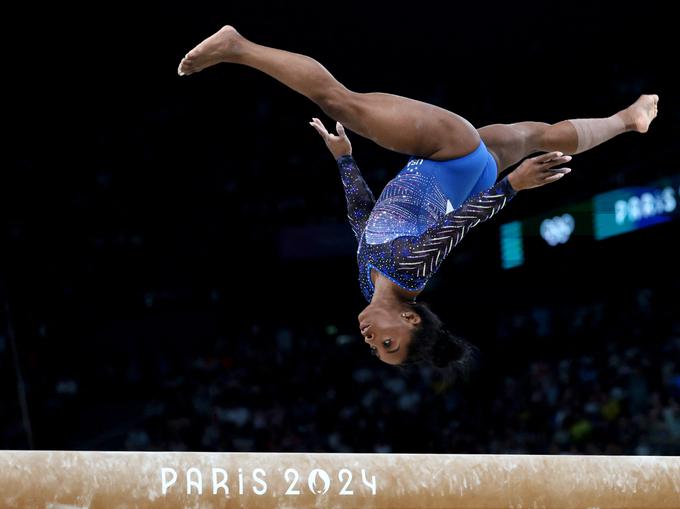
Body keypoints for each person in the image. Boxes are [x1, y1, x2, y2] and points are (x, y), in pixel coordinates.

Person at [178, 25, 659, 376]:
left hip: (463, 174)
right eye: (389, 342)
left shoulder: (373, 288)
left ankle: (627, 119)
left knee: (538, 134)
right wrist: (513, 186)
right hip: (449, 156)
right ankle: (237, 47)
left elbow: (364, 225)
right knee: (340, 101)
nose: (371, 341)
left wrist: (346, 161)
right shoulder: (413, 273)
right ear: (411, 318)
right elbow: (459, 228)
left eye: (376, 349)